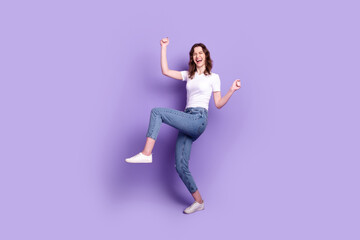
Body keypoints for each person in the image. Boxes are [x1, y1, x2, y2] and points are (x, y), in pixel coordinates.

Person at [125, 37, 241, 214]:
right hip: (187, 119)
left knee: (157, 112)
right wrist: (164, 48)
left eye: (200, 52)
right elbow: (165, 71)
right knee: (180, 166)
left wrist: (231, 90)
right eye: (194, 54)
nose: (197, 55)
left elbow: (218, 103)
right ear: (193, 58)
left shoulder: (214, 77)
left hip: (198, 119)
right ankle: (199, 202)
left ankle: (147, 153)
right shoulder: (190, 75)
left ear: (206, 56)